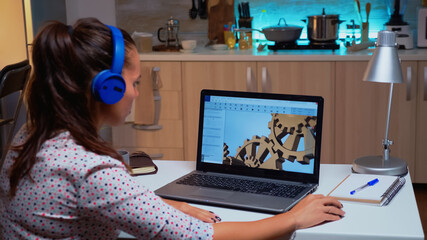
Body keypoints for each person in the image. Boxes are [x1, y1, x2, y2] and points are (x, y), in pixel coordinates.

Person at [0, 17, 345, 239]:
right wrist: (295, 219)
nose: (136, 92)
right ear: (107, 88)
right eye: (133, 82)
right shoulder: (92, 169)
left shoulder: (32, 133)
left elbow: (100, 202)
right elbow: (202, 237)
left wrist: (164, 205)